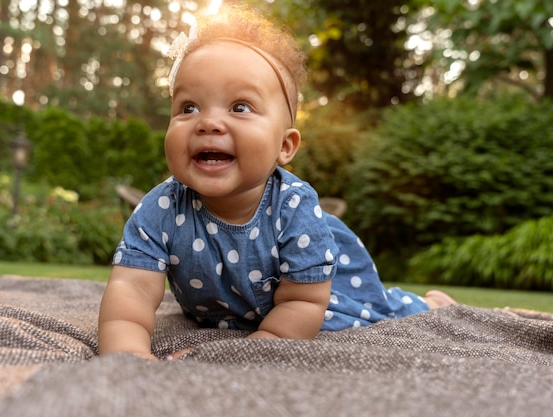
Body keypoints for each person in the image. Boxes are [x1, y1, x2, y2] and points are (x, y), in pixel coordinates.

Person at [97, 5, 455, 361]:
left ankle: (433, 302)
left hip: (321, 295)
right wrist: (127, 355)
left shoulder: (294, 207)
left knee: (387, 309)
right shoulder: (161, 208)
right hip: (232, 311)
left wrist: (251, 349)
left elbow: (303, 302)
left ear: (285, 146)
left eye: (239, 107)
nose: (208, 122)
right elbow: (132, 290)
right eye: (188, 107)